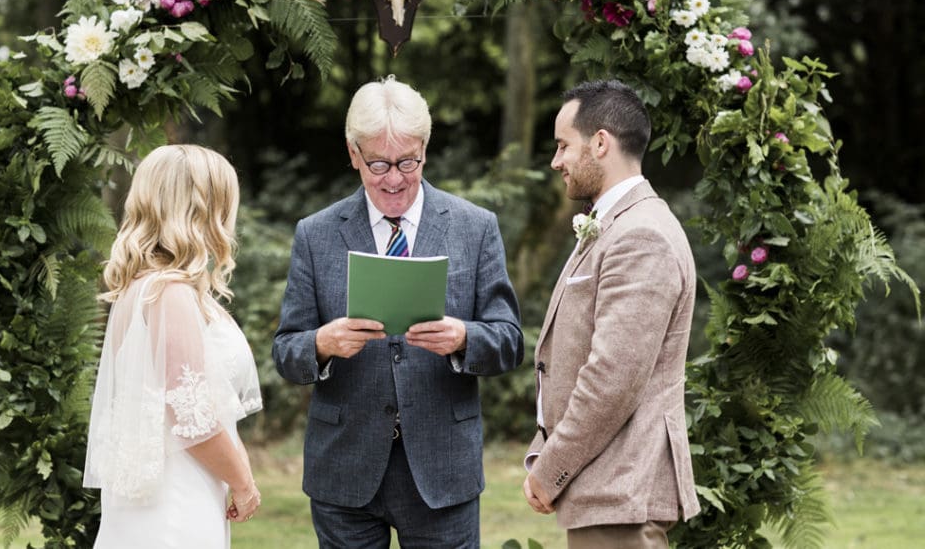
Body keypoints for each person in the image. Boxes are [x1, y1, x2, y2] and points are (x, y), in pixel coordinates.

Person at [273, 75, 524, 548]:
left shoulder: (475, 227)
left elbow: (509, 341)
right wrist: (322, 345)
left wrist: (464, 338)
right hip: (344, 469)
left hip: (442, 470)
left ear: (425, 149)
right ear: (353, 155)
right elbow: (287, 349)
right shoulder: (316, 233)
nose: (394, 178)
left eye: (408, 162)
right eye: (379, 164)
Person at [522, 80, 700, 548]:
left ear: (600, 142)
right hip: (608, 489)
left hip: (624, 488)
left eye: (563, 145)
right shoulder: (620, 225)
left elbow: (612, 378)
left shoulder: (642, 236)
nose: (556, 161)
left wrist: (551, 466)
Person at [84, 144, 263, 548]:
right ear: (205, 209)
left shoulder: (141, 288)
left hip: (162, 495)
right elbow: (191, 416)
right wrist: (244, 482)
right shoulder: (169, 294)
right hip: (177, 503)